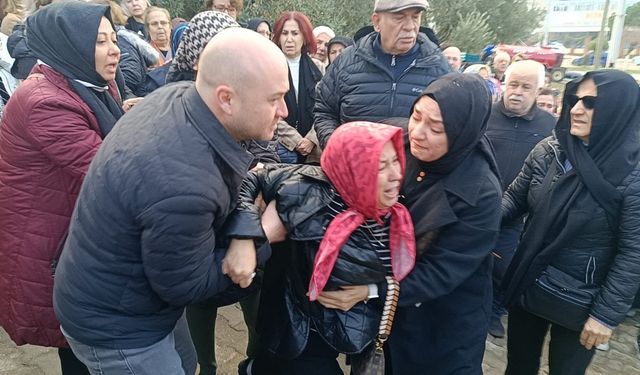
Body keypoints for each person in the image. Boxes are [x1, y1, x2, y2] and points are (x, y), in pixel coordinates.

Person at [52, 28, 290, 375]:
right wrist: (264, 234)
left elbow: (230, 177)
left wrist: (246, 236)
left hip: (127, 290)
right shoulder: (182, 185)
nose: (284, 110)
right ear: (226, 98)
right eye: (274, 99)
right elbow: (189, 287)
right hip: (118, 327)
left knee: (186, 362)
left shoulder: (182, 98)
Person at [227, 121, 416, 374]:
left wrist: (368, 291)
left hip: (352, 328)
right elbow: (251, 180)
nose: (396, 174)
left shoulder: (396, 220)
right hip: (298, 329)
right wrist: (247, 236)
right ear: (352, 168)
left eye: (396, 161)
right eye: (381, 166)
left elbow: (409, 278)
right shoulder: (307, 189)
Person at [0, 2, 126, 374]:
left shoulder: (86, 83)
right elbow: (110, 169)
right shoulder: (46, 101)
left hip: (69, 232)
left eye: (114, 38)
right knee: (78, 347)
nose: (115, 48)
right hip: (50, 246)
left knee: (81, 345)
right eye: (100, 41)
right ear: (70, 44)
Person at [501, 70, 640, 375]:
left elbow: (633, 254)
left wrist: (605, 316)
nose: (576, 109)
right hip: (528, 281)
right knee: (519, 367)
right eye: (575, 99)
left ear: (618, 108)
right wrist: (470, 222)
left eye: (590, 103)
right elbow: (512, 201)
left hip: (581, 303)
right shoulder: (550, 150)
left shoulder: (632, 175)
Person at [384, 73, 503, 374]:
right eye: (416, 116)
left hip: (444, 321)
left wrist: (372, 291)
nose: (418, 132)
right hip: (398, 309)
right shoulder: (403, 144)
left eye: (436, 128)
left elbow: (439, 272)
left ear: (463, 131)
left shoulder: (480, 193)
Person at [313, 0, 450, 149]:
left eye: (415, 17)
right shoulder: (346, 63)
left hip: (416, 170)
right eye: (399, 17)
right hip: (356, 168)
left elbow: (454, 124)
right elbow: (324, 111)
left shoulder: (439, 67)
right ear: (377, 21)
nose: (410, 26)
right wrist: (337, 148)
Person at [485, 60, 556, 338]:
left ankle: (494, 312)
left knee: (506, 268)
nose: (518, 92)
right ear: (504, 82)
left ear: (538, 90)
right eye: (513, 84)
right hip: (480, 206)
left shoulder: (550, 125)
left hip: (519, 214)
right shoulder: (484, 115)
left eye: (526, 87)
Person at [272, 11, 323, 164]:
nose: (289, 39)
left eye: (295, 33)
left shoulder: (319, 68)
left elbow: (326, 107)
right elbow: (269, 109)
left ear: (305, 37)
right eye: (284, 33)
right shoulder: (269, 67)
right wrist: (295, 140)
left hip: (315, 148)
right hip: (281, 148)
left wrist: (311, 139)